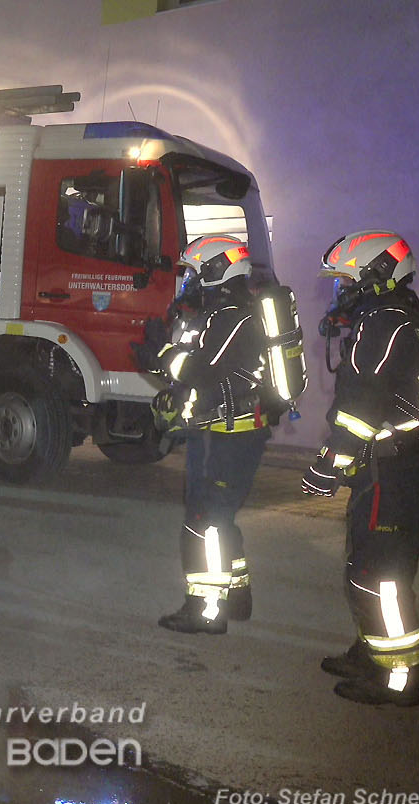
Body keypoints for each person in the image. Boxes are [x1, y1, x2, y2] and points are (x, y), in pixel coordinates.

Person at [302, 230, 419, 707]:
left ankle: (400, 679)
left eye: (347, 278)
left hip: (396, 470)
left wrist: (328, 464)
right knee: (366, 566)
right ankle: (370, 654)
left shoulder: (384, 322)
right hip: (394, 468)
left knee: (381, 576)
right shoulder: (398, 317)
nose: (341, 290)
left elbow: (360, 409)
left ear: (377, 273)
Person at [148, 236, 270, 634]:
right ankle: (237, 595)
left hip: (229, 436)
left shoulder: (232, 315)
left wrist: (161, 354)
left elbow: (200, 370)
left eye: (196, 272)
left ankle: (206, 610)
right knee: (218, 516)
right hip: (224, 431)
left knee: (205, 521)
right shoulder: (226, 312)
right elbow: (208, 374)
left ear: (216, 270)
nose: (191, 280)